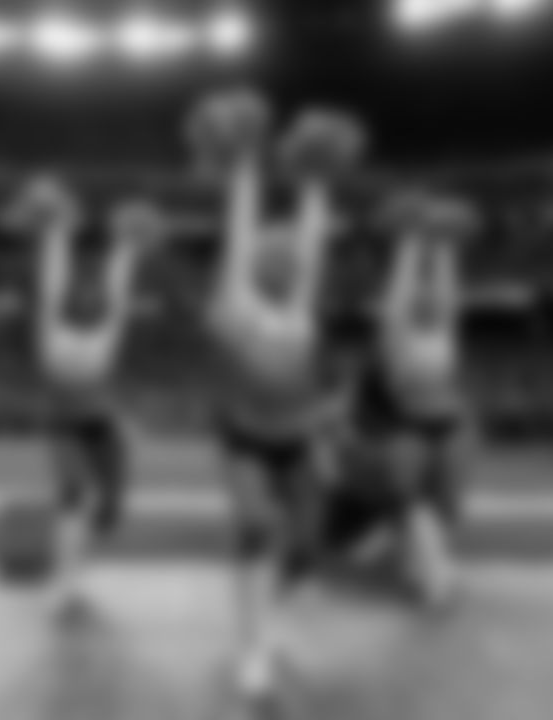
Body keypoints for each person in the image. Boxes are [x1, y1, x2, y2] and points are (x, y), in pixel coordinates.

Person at [191, 89, 362, 698]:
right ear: (257, 261)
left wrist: (315, 180)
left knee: (308, 546)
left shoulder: (300, 309)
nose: (289, 257)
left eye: (291, 255)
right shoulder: (233, 301)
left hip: (298, 442)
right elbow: (240, 232)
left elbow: (313, 240)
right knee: (257, 528)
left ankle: (268, 619)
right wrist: (243, 165)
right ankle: (253, 651)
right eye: (276, 251)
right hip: (244, 441)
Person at [13, 176, 164, 616]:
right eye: (76, 297)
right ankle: (67, 584)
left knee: (110, 511)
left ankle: (75, 566)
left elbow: (118, 283)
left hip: (102, 426)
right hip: (63, 423)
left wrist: (128, 244)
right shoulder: (51, 328)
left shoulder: (107, 328)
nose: (82, 300)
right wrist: (56, 230)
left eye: (89, 297)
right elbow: (52, 279)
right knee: (72, 493)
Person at [343, 189, 476, 608]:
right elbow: (397, 299)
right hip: (409, 427)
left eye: (428, 291)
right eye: (420, 292)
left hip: (448, 427)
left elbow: (448, 292)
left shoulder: (443, 332)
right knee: (412, 498)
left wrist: (445, 244)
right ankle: (432, 573)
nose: (426, 294)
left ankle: (417, 564)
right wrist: (409, 240)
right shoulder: (396, 336)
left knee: (446, 506)